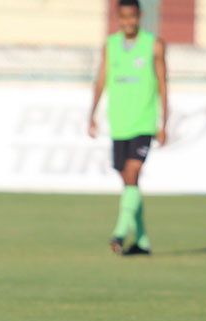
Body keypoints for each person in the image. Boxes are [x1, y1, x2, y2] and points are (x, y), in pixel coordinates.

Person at [89, 0, 167, 255]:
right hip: (119, 124)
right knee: (129, 182)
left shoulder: (153, 45)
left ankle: (120, 232)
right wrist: (92, 113)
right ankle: (142, 241)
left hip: (144, 122)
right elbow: (101, 79)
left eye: (132, 17)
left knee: (133, 173)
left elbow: (163, 83)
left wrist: (164, 122)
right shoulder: (110, 45)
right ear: (118, 18)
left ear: (140, 16)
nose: (128, 22)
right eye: (123, 17)